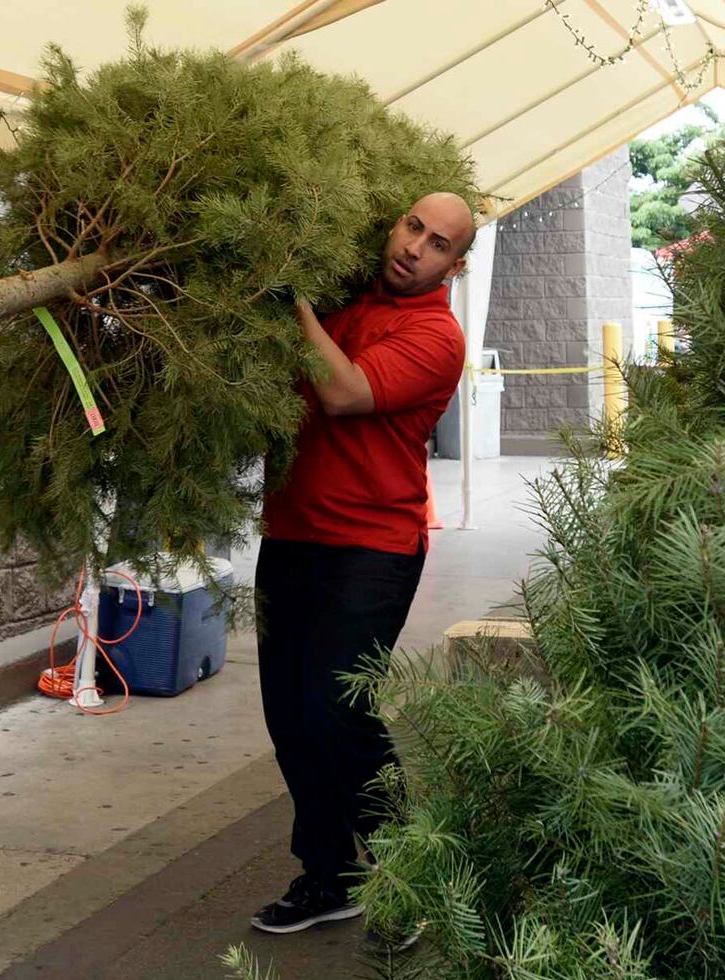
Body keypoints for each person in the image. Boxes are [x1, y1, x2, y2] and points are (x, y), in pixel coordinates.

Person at [250, 192, 476, 934]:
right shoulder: (349, 301)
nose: (416, 247)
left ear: (455, 263)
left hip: (372, 547)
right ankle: (329, 876)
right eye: (413, 226)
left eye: (438, 243)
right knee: (289, 714)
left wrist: (292, 300)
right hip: (291, 533)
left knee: (336, 711)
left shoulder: (435, 334)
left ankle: (411, 873)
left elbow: (344, 392)